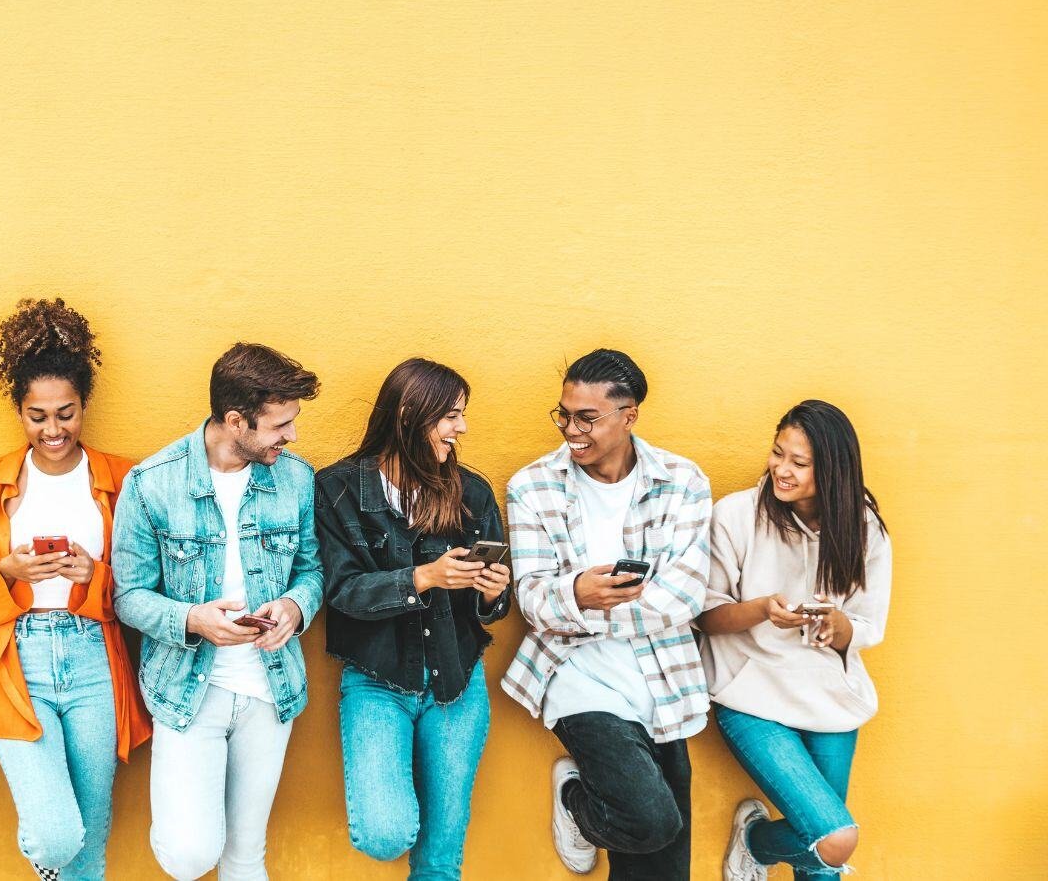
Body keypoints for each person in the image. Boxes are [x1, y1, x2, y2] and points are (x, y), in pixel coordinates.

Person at [112, 342, 324, 881]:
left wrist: (295, 608)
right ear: (235, 421)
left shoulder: (296, 479)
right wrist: (192, 620)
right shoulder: (151, 483)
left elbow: (312, 570)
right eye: (279, 425)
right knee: (189, 855)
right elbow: (128, 595)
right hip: (187, 689)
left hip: (269, 688)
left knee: (246, 855)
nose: (291, 436)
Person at [499, 348, 712, 880]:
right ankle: (576, 797)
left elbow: (685, 598)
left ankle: (588, 802)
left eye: (587, 418)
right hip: (577, 676)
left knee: (664, 864)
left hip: (663, 678)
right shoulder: (532, 487)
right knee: (649, 819)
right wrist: (576, 596)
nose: (572, 430)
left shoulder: (684, 481)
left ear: (628, 415)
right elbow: (532, 601)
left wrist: (578, 600)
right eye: (564, 414)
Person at [0, 298, 152, 880]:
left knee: (89, 846)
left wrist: (91, 577)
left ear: (84, 406)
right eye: (37, 415)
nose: (54, 430)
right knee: (56, 834)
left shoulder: (123, 478)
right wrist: (12, 574)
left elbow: (147, 585)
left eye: (66, 413)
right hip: (17, 657)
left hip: (95, 656)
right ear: (19, 412)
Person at [314, 358, 512, 880]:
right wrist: (422, 578)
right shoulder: (338, 489)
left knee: (440, 857)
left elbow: (490, 607)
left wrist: (492, 594)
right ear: (408, 413)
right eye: (450, 415)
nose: (461, 428)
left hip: (457, 682)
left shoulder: (472, 492)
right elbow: (339, 592)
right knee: (385, 833)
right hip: (378, 681)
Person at [698, 400, 891, 880]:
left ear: (833, 471)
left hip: (829, 697)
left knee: (825, 856)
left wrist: (839, 626)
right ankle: (757, 843)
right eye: (777, 453)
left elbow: (868, 624)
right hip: (751, 693)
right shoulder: (736, 515)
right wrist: (762, 609)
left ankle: (759, 845)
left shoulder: (863, 526)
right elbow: (705, 615)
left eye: (799, 463)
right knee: (834, 840)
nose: (782, 470)